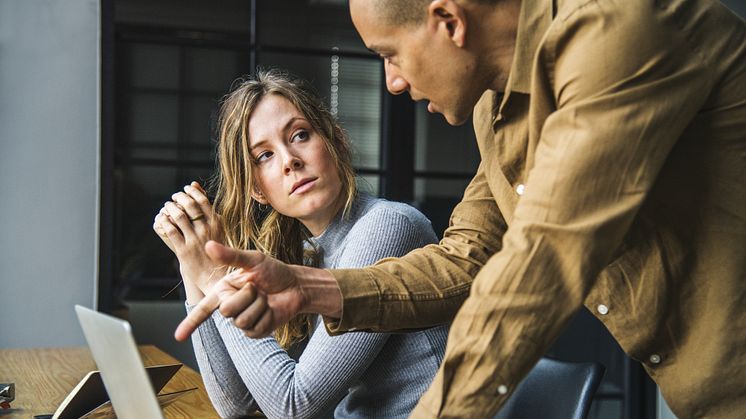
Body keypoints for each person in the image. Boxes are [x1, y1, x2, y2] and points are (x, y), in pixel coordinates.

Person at [177, 0, 746, 417]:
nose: (392, 82)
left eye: (390, 55)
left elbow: (541, 263)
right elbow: (465, 258)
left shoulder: (618, 33)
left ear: (448, 21)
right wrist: (309, 287)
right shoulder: (495, 112)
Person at [155, 69, 449, 418]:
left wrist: (215, 276)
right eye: (264, 155)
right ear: (256, 190)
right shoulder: (308, 253)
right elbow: (234, 405)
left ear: (337, 141)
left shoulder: (387, 226)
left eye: (299, 135)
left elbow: (293, 407)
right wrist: (192, 261)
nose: (289, 161)